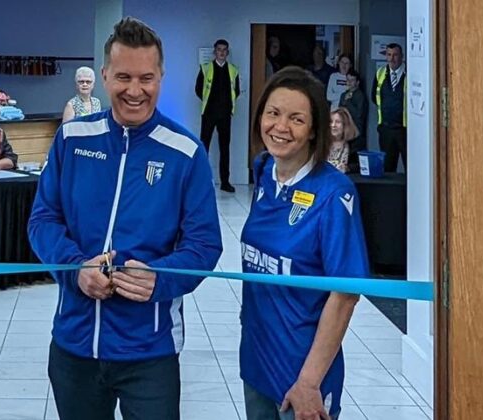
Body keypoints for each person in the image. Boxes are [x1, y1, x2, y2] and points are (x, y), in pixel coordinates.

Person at [28, 16, 223, 420]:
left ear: (161, 77)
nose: (135, 90)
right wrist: (75, 268)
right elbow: (43, 220)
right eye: (123, 77)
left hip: (150, 352)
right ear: (104, 76)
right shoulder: (71, 140)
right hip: (75, 345)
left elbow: (204, 245)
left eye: (146, 78)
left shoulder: (185, 153)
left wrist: (160, 278)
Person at [241, 66, 369, 420]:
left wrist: (309, 383)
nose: (280, 127)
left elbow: (345, 295)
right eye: (273, 113)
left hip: (302, 377)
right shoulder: (263, 169)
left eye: (296, 119)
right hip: (256, 362)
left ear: (314, 129)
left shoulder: (334, 193)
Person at [195, 38, 241, 192]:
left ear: (227, 53)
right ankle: (200, 181)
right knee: (204, 147)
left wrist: (226, 106)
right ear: (214, 52)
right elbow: (199, 89)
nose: (221, 52)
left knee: (224, 148)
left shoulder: (233, 70)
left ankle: (225, 182)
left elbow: (236, 91)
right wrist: (211, 104)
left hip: (225, 114)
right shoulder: (205, 68)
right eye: (219, 49)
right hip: (209, 113)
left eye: (224, 50)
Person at [371, 43, 407, 173]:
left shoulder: (410, 73)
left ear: (402, 56)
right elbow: (374, 97)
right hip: (386, 128)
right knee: (387, 168)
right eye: (389, 55)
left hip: (405, 129)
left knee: (410, 166)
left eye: (395, 55)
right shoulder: (380, 73)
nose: (392, 59)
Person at [338, 70, 368, 169]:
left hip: (356, 131)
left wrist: (348, 102)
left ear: (357, 82)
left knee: (354, 157)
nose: (349, 83)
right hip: (345, 130)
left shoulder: (360, 96)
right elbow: (340, 111)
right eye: (348, 80)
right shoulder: (343, 95)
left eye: (352, 80)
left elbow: (359, 114)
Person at [328, 107, 358, 173]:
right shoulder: (321, 143)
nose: (333, 125)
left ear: (345, 125)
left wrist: (347, 168)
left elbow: (358, 165)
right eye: (331, 122)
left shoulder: (354, 144)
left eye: (337, 122)